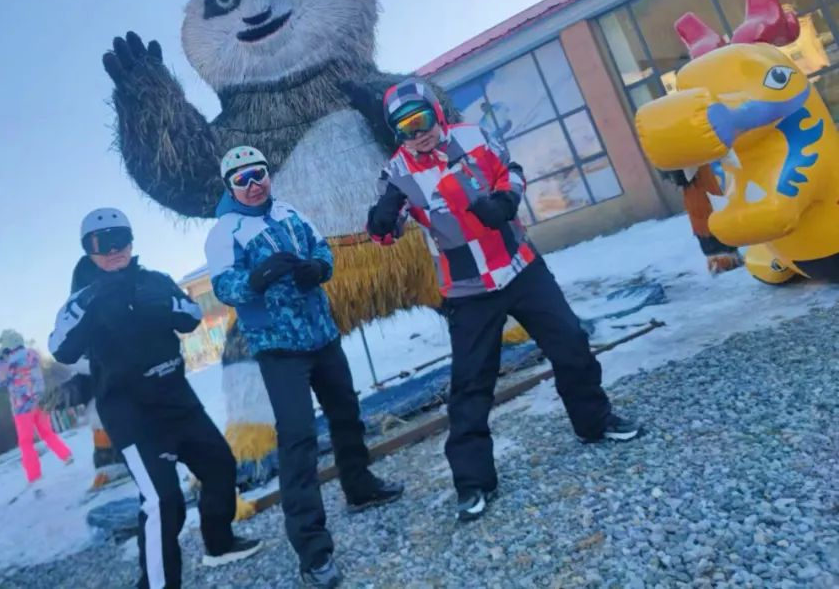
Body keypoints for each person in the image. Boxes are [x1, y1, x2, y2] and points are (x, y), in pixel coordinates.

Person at [365, 79, 641, 523]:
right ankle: (472, 481)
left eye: (422, 120)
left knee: (570, 341)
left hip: (519, 264)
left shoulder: (473, 136)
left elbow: (509, 169)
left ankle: (595, 421)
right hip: (468, 288)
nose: (417, 133)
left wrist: (508, 198)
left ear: (437, 112)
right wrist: (381, 221)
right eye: (405, 128)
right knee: (471, 384)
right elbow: (385, 232)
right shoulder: (396, 173)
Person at [206, 146, 404, 589]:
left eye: (258, 174)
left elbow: (322, 250)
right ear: (229, 187)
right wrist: (256, 279)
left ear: (268, 175)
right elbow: (224, 287)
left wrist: (318, 268)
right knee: (298, 441)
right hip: (279, 348)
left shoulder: (290, 210)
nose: (253, 185)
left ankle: (360, 487)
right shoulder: (224, 232)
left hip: (321, 334)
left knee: (347, 414)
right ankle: (313, 551)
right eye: (242, 180)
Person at [49, 208, 261, 589]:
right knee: (163, 501)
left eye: (120, 240)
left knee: (220, 466)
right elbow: (60, 348)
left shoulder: (156, 281)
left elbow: (191, 315)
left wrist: (165, 304)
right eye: (101, 243)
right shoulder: (82, 300)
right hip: (131, 416)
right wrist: (89, 306)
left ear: (131, 241)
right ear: (88, 249)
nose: (113, 250)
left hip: (178, 400)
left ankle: (219, 543)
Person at [0, 332, 74, 488]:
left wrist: (0, 362)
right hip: (40, 400)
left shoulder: (8, 362)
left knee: (26, 441)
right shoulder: (32, 355)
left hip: (22, 405)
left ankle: (34, 475)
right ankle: (66, 455)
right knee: (47, 432)